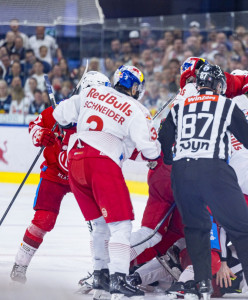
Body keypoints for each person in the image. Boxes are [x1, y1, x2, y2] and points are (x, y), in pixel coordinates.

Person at [158, 64, 248, 299]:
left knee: (196, 230)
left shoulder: (179, 106)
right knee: (242, 230)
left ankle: (201, 286)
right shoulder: (225, 104)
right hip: (214, 170)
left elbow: (164, 137)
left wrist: (171, 160)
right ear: (219, 85)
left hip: (181, 173)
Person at [53, 65, 162, 299]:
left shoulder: (91, 92)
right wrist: (153, 155)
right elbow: (150, 150)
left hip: (75, 161)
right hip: (101, 162)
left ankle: (100, 274)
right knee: (121, 225)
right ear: (134, 86)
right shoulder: (137, 108)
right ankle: (119, 278)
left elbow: (60, 115)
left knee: (99, 225)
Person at [10, 72, 109, 284]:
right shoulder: (62, 108)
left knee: (98, 223)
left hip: (84, 176)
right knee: (43, 220)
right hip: (55, 173)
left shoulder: (105, 115)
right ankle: (20, 264)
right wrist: (40, 135)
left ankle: (101, 271)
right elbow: (35, 126)